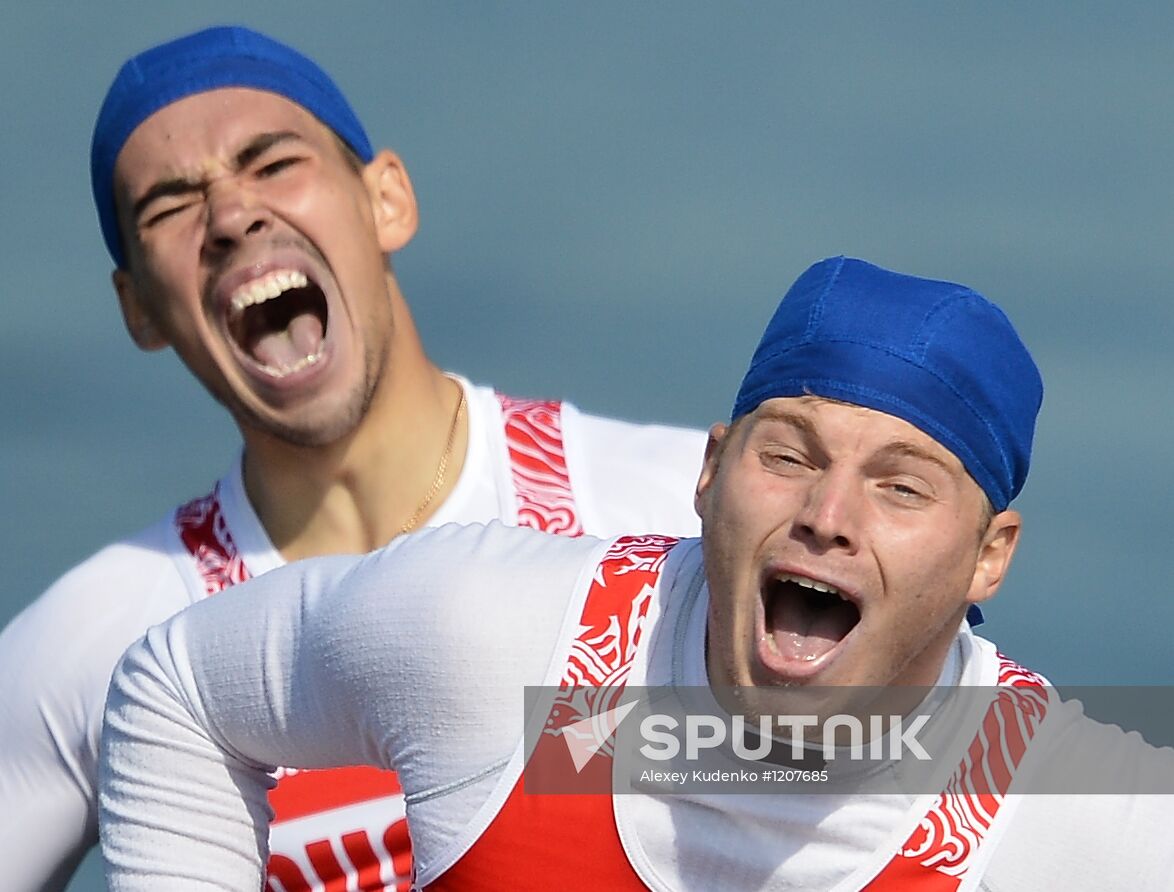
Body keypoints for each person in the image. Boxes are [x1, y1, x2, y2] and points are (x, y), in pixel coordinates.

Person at [99, 256, 1174, 891]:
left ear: (991, 553)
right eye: (787, 454)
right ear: (709, 473)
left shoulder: (1064, 815)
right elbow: (180, 691)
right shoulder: (502, 647)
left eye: (901, 487)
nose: (827, 517)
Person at [0, 25, 706, 892]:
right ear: (137, 307)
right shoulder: (97, 643)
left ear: (388, 201)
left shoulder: (673, 516)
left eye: (272, 163)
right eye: (170, 206)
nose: (231, 214)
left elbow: (897, 791)